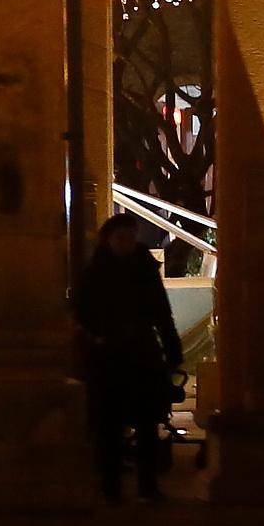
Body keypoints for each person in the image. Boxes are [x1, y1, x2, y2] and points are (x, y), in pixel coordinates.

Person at [73, 213, 183, 502]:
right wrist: (100, 335)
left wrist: (172, 348)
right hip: (108, 355)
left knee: (147, 422)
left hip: (140, 353)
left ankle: (147, 485)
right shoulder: (96, 271)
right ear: (109, 239)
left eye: (131, 237)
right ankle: (111, 486)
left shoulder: (143, 267)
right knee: (109, 424)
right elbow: (83, 311)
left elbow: (161, 310)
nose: (127, 242)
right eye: (121, 237)